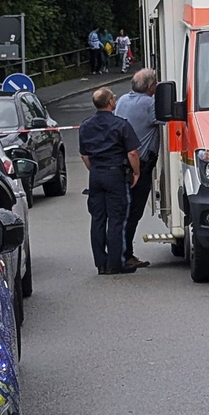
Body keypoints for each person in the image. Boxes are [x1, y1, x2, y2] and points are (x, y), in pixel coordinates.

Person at [79, 87, 140, 275]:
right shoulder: (120, 125)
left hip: (96, 175)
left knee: (97, 219)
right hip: (115, 174)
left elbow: (84, 155)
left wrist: (95, 170)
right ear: (110, 103)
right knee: (116, 219)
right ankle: (116, 263)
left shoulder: (86, 125)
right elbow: (132, 152)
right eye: (113, 97)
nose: (115, 99)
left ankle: (101, 263)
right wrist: (136, 173)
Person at [115, 69, 164, 270]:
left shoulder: (123, 101)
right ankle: (125, 255)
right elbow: (167, 119)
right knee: (133, 212)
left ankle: (120, 252)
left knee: (123, 211)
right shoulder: (149, 104)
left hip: (122, 163)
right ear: (151, 87)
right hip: (140, 166)